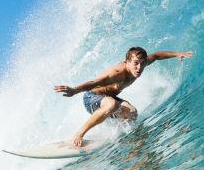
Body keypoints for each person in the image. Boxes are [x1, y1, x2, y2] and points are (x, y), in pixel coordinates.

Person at [54, 47, 193, 147]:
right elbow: (94, 83)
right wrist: (74, 90)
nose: (139, 67)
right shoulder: (117, 73)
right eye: (135, 63)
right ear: (127, 62)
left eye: (142, 63)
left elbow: (156, 56)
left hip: (108, 97)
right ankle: (79, 133)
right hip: (92, 98)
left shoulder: (141, 63)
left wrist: (177, 54)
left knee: (132, 113)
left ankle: (115, 134)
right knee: (112, 105)